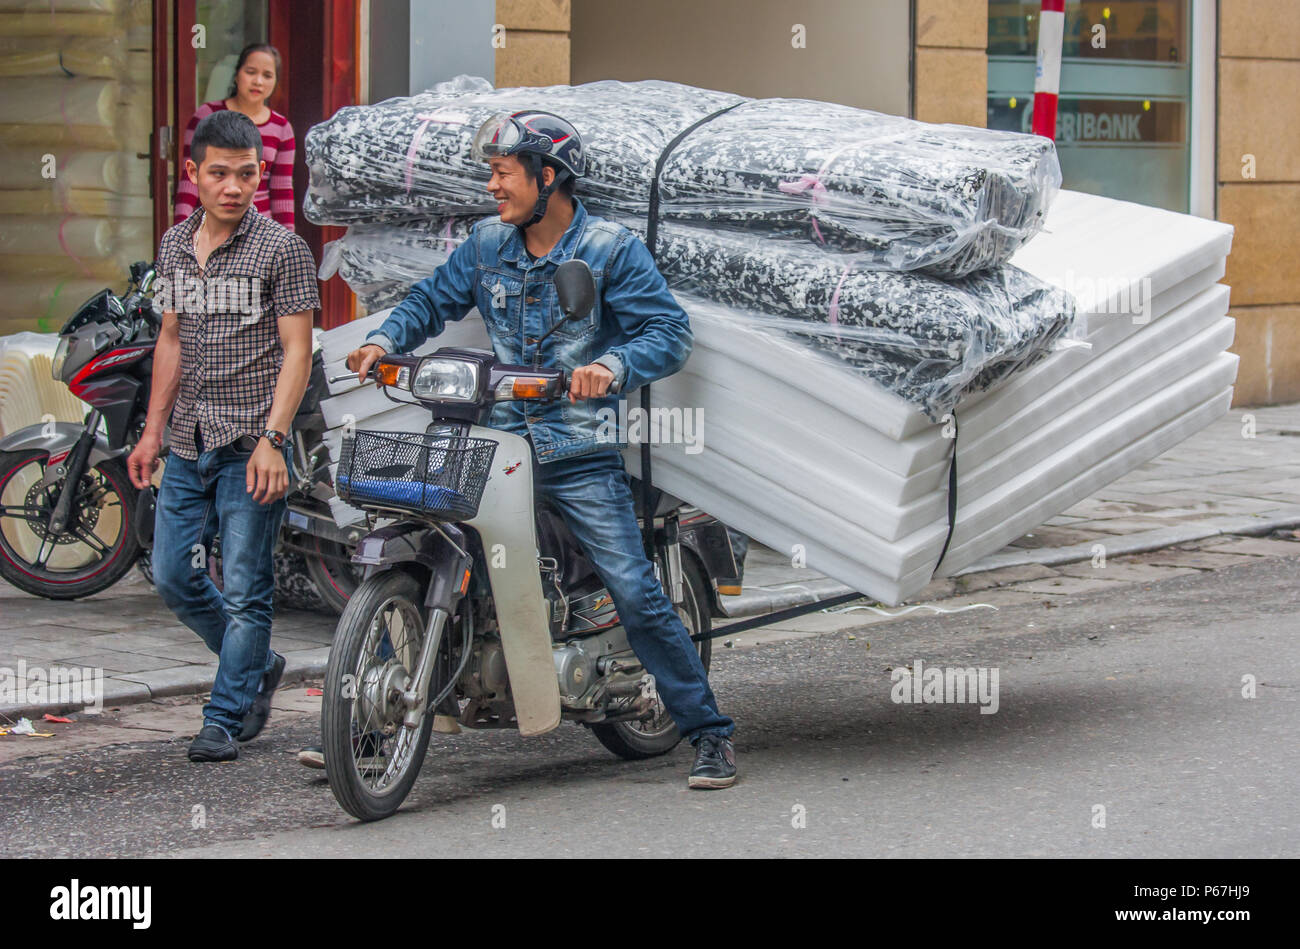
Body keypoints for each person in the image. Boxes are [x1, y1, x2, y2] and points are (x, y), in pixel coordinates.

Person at [301, 110, 738, 789]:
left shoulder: (608, 249)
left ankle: (709, 733)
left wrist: (614, 367)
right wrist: (384, 340)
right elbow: (430, 299)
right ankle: (366, 724)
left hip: (576, 448)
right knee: (424, 542)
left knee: (631, 585)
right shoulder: (485, 246)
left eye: (504, 173)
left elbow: (668, 333)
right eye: (492, 173)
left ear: (549, 176)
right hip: (495, 439)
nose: (493, 185)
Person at [129, 109, 320, 762]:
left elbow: (298, 352)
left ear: (260, 174)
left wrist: (274, 436)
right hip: (187, 442)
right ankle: (257, 665)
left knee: (244, 586)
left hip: (250, 447)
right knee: (171, 576)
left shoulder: (283, 250)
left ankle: (224, 714)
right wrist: (151, 430)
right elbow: (172, 339)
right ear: (194, 175)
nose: (234, 187)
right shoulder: (174, 246)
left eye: (246, 174)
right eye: (219, 174)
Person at [173, 43, 297, 231]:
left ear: (275, 82)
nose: (258, 81)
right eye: (250, 72)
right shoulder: (207, 115)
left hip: (258, 235)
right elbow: (188, 181)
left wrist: (288, 245)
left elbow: (282, 193)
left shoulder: (282, 128)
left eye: (267, 75)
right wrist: (179, 233)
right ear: (237, 75)